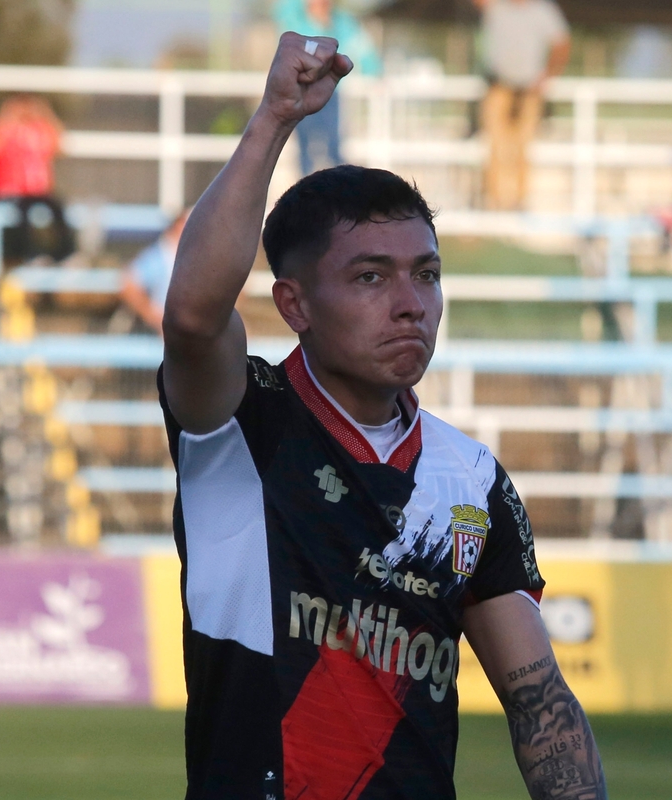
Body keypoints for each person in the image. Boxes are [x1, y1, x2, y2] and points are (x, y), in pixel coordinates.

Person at [158, 33, 606, 798]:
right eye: (371, 276)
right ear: (293, 304)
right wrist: (274, 118)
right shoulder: (242, 424)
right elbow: (195, 317)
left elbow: (539, 704)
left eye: (426, 275)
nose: (410, 303)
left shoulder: (469, 479)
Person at [475, 0, 571, 210]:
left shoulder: (543, 10)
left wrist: (548, 75)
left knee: (523, 147)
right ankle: (495, 201)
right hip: (499, 86)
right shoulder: (497, 6)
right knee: (495, 145)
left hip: (529, 91)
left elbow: (562, 42)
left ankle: (519, 201)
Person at [273, 0, 382, 176]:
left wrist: (374, 72)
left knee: (333, 146)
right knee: (306, 148)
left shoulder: (342, 23)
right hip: (303, 90)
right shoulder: (295, 20)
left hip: (331, 93)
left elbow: (363, 48)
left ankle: (336, 194)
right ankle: (309, 195)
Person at [0, 94, 74, 262]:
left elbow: (60, 145)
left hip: (38, 191)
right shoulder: (5, 129)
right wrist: (8, 113)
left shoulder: (40, 130)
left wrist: (45, 112)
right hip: (11, 191)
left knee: (58, 209)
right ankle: (29, 255)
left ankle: (65, 254)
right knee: (23, 215)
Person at [118, 207, 191, 333]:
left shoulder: (189, 254)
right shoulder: (160, 255)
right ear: (179, 225)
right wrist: (152, 315)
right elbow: (128, 284)